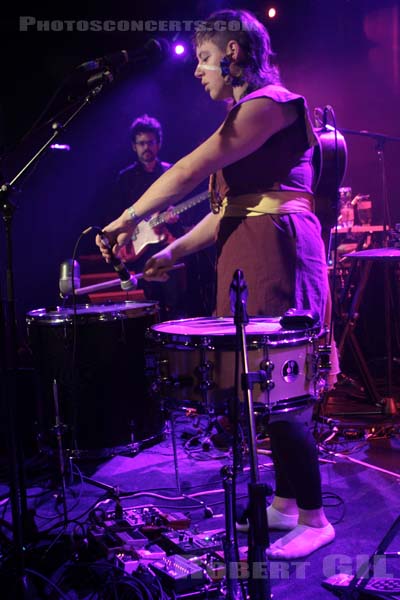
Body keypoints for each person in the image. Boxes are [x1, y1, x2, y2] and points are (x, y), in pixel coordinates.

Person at [97, 9, 338, 560]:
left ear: (232, 53)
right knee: (262, 385)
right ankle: (285, 501)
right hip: (250, 246)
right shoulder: (245, 118)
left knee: (284, 380)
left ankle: (316, 517)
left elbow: (185, 172)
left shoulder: (268, 104)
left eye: (204, 58)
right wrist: (170, 252)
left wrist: (126, 220)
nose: (197, 71)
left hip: (279, 249)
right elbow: (226, 211)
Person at [113, 114, 184, 319]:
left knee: (173, 302)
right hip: (137, 251)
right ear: (134, 146)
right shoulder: (125, 178)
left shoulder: (170, 173)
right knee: (143, 305)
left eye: (150, 142)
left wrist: (175, 219)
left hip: (166, 248)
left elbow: (183, 217)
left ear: (158, 144)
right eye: (141, 143)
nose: (146, 148)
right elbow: (116, 214)